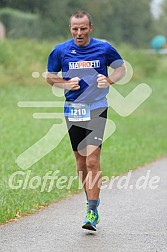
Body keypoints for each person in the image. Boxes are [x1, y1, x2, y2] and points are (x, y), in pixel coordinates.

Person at [46, 10, 125, 231]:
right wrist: (64, 83)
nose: (79, 33)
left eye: (83, 28)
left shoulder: (104, 48)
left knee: (92, 160)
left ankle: (92, 212)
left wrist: (109, 80)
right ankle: (91, 198)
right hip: (74, 110)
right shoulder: (61, 50)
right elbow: (50, 77)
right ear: (70, 29)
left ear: (90, 28)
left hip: (97, 108)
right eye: (75, 28)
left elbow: (121, 68)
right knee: (81, 162)